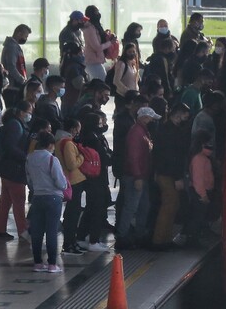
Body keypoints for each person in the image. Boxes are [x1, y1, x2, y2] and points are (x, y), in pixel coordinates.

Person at [114, 106, 162, 250]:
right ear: (143, 118)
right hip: (135, 177)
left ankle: (139, 234)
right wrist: (137, 177)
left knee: (143, 206)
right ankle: (122, 236)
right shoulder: (136, 133)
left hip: (142, 175)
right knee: (131, 206)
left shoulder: (142, 131)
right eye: (150, 118)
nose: (152, 121)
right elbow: (133, 157)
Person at [151, 102, 191, 250]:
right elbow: (173, 157)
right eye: (185, 116)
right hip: (168, 174)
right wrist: (178, 177)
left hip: (164, 172)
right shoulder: (172, 132)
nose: (185, 119)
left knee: (172, 205)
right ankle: (159, 240)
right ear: (178, 114)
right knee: (169, 205)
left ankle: (165, 238)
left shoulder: (164, 129)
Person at [26, 132, 68, 273]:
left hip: (37, 197)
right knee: (51, 231)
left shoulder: (29, 158)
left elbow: (29, 180)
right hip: (53, 198)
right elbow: (61, 183)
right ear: (50, 145)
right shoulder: (51, 159)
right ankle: (52, 264)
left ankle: (37, 263)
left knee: (37, 232)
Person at [0, 102, 32, 241]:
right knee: (19, 200)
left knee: (6, 200)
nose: (30, 114)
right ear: (21, 112)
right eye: (29, 111)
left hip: (7, 168)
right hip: (14, 168)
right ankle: (23, 230)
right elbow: (10, 146)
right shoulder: (15, 125)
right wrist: (25, 157)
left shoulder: (14, 123)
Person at [76, 112, 112, 252]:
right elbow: (104, 156)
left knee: (91, 207)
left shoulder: (88, 136)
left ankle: (82, 236)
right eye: (100, 123)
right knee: (98, 207)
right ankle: (93, 240)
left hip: (92, 176)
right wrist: (110, 157)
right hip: (96, 177)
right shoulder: (93, 138)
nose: (102, 125)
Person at [55, 118, 86, 256]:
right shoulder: (67, 143)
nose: (79, 131)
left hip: (71, 181)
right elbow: (71, 164)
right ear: (73, 129)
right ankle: (69, 243)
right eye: (78, 128)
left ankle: (71, 241)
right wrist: (82, 157)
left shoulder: (60, 142)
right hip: (73, 181)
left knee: (72, 213)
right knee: (72, 214)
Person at [183, 131, 216, 247]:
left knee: (198, 216)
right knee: (196, 217)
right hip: (200, 193)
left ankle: (194, 238)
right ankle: (192, 240)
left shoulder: (202, 157)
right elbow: (198, 180)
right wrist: (203, 196)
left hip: (201, 191)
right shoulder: (199, 159)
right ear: (202, 144)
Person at [1, 24, 32, 108]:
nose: (26, 39)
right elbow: (11, 67)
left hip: (15, 85)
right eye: (25, 36)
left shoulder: (14, 46)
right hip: (13, 86)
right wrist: (22, 80)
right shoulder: (12, 47)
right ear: (19, 33)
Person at [82, 5, 115, 81]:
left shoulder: (95, 26)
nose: (99, 14)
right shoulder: (90, 28)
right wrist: (110, 42)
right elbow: (97, 47)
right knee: (102, 82)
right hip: (92, 60)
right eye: (96, 12)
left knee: (98, 82)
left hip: (97, 59)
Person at [60, 40, 87, 115]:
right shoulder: (75, 67)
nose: (83, 54)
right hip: (74, 102)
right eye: (82, 52)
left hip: (67, 101)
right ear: (78, 53)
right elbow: (79, 85)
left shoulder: (67, 63)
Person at [112, 42, 140, 108]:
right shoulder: (121, 64)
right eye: (129, 52)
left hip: (133, 96)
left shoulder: (134, 64)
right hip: (122, 97)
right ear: (125, 52)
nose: (132, 53)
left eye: (133, 51)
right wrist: (127, 91)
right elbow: (116, 81)